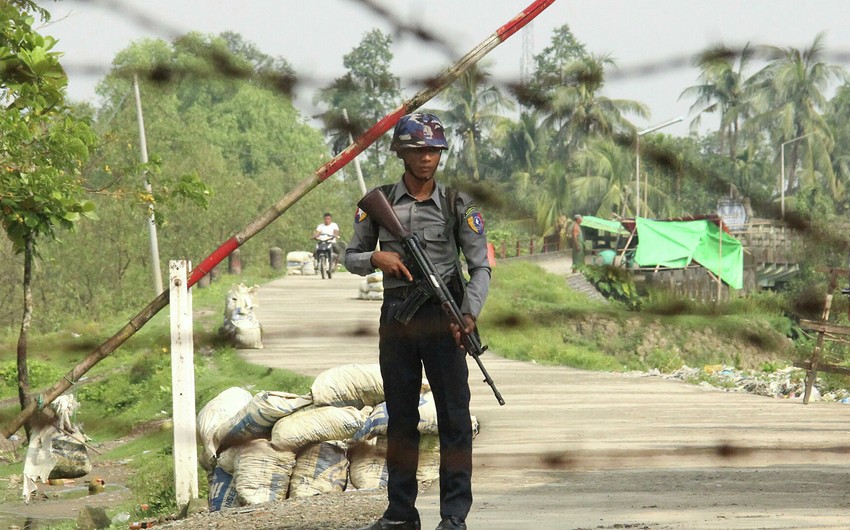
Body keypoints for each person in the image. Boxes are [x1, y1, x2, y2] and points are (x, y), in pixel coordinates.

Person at [345, 113, 491, 530]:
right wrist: (376, 257)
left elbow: (480, 268)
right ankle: (400, 513)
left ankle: (454, 516)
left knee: (454, 418)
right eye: (418, 150)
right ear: (402, 153)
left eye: (433, 151)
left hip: (445, 318)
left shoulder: (457, 204)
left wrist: (468, 314)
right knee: (402, 418)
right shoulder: (379, 203)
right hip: (397, 318)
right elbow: (350, 256)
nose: (427, 158)